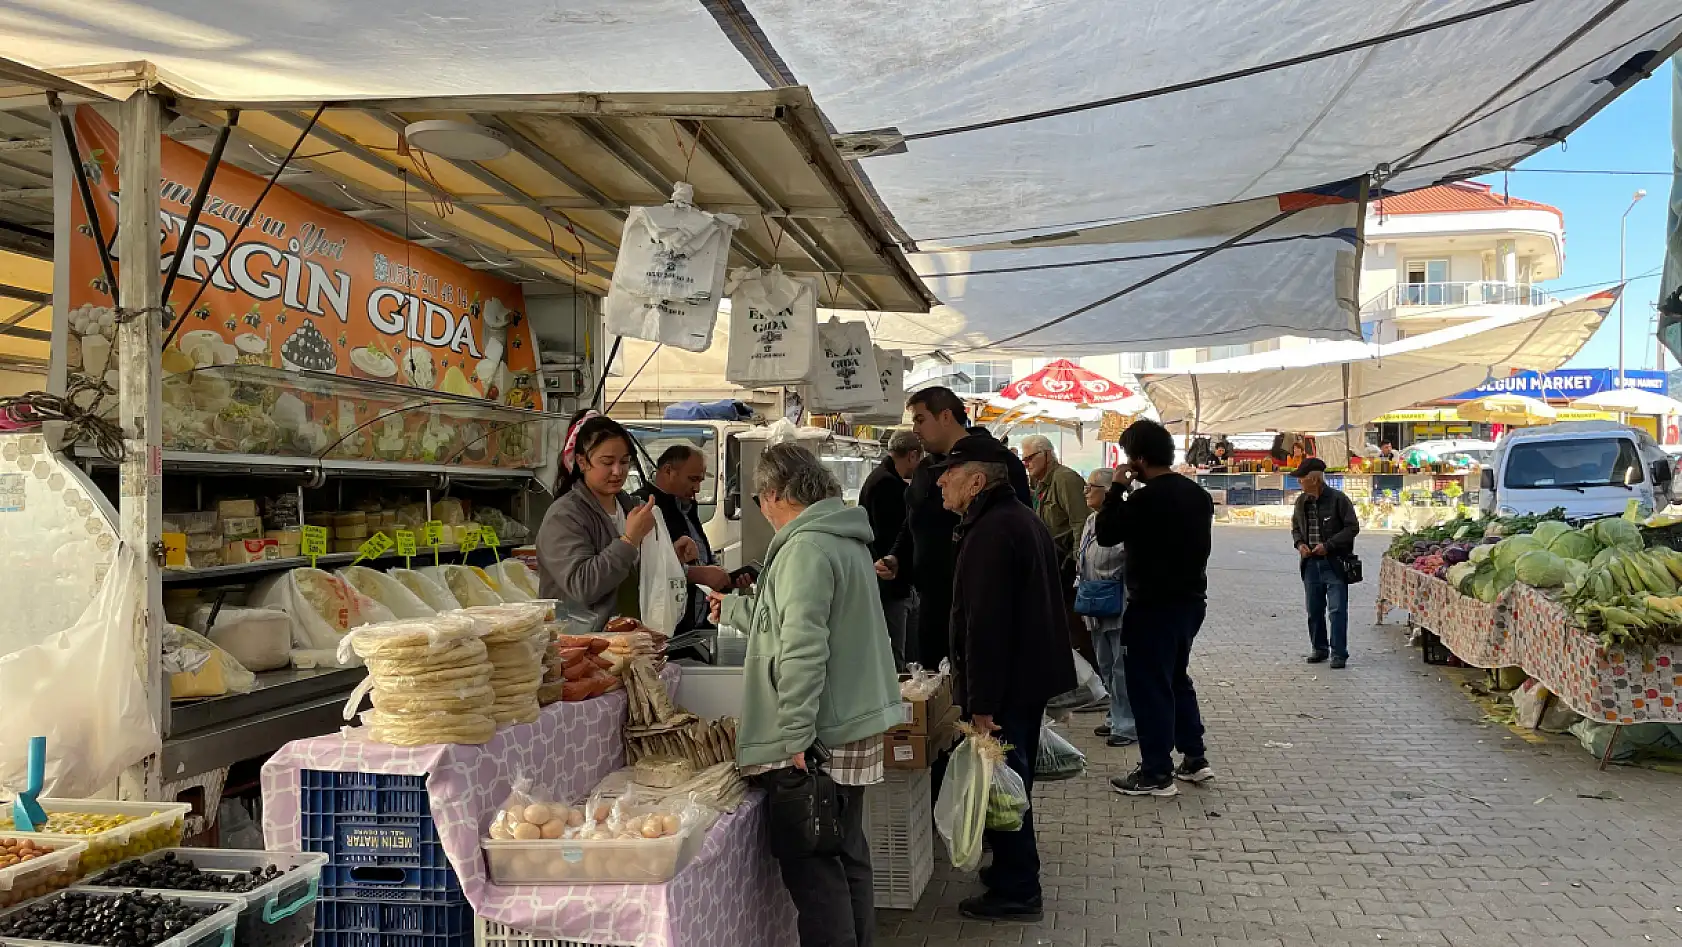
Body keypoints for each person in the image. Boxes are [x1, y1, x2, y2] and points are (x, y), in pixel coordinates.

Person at [710, 443, 901, 947]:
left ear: (773, 494)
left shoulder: (805, 549)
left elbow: (801, 648)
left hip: (820, 734)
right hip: (847, 721)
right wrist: (731, 610)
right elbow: (785, 622)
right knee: (846, 853)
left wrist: (794, 733)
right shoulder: (840, 538)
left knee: (816, 868)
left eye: (757, 500)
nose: (760, 509)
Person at [935, 433, 1074, 922]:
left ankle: (1019, 888)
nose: (941, 485)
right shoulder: (1010, 519)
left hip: (1009, 683)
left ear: (976, 481)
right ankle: (1011, 873)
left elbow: (986, 626)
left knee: (1005, 783)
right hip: (1024, 677)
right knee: (1010, 781)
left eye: (948, 476)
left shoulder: (994, 530)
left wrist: (982, 703)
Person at [1095, 418, 1215, 798]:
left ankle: (1155, 771)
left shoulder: (1144, 500)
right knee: (1176, 678)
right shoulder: (1198, 495)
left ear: (1139, 459)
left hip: (1152, 607)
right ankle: (1194, 759)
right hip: (1191, 603)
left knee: (1149, 687)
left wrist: (1117, 487)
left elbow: (1106, 532)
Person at [875, 387, 1029, 669]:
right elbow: (913, 523)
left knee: (979, 693)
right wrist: (897, 557)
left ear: (945, 416)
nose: (915, 429)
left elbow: (1019, 531)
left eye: (920, 419)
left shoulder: (998, 463)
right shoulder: (924, 469)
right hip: (931, 603)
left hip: (980, 606)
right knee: (938, 688)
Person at [537, 410, 692, 629]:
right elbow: (583, 586)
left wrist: (668, 554)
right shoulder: (564, 516)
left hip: (628, 642)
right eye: (607, 462)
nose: (618, 471)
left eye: (624, 462)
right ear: (582, 462)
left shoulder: (628, 506)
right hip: (581, 649)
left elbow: (634, 572)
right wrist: (629, 540)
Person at [634, 444, 741, 639]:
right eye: (693, 479)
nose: (697, 489)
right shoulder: (644, 508)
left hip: (697, 628)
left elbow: (701, 560)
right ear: (668, 471)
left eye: (700, 480)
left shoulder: (686, 508)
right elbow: (640, 571)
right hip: (663, 632)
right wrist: (694, 574)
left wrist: (723, 578)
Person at [1020, 434, 1096, 667]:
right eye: (1024, 460)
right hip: (1052, 563)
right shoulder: (1041, 483)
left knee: (1075, 626)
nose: (1027, 464)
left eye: (1030, 458)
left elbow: (1080, 523)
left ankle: (1092, 676)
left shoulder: (1065, 479)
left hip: (1067, 566)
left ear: (1047, 455)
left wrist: (1077, 564)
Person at [1078, 468, 1136, 747]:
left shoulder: (1122, 520)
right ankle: (1115, 716)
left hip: (1117, 601)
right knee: (1105, 665)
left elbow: (1121, 558)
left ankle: (1127, 725)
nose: (1086, 491)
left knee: (1121, 666)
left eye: (1092, 487)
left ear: (1108, 491)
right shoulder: (1091, 520)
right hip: (1094, 602)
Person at [859, 431, 922, 669]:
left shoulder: (883, 477)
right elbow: (890, 537)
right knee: (898, 656)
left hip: (893, 581)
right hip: (891, 582)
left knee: (904, 651)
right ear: (913, 455)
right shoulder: (886, 484)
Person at [1291, 457, 1360, 669]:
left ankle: (1339, 653)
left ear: (1314, 480)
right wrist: (1300, 544)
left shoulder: (1339, 500)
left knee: (1337, 610)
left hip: (1335, 562)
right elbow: (1295, 528)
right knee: (1314, 609)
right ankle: (1319, 648)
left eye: (1301, 479)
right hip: (1310, 563)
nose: (1299, 483)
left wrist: (1328, 545)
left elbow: (1352, 528)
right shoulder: (1301, 502)